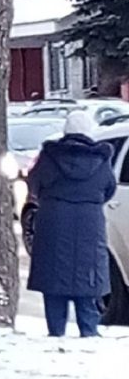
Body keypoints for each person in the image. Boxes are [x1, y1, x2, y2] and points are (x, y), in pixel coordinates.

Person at [26, 110, 116, 337]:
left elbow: (34, 185)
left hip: (52, 223)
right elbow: (109, 189)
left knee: (54, 282)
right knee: (89, 279)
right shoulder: (101, 160)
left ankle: (56, 333)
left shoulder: (49, 157)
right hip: (89, 225)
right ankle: (89, 332)